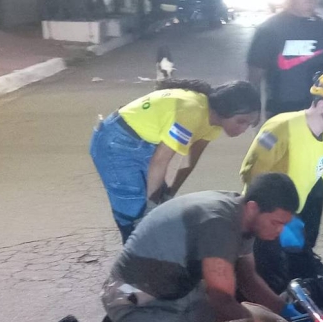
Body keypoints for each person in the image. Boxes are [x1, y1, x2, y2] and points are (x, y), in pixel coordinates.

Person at [50, 173, 314, 322]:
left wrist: (290, 317)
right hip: (137, 295)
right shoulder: (218, 222)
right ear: (254, 207)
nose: (279, 231)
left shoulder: (243, 216)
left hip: (179, 291)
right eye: (276, 223)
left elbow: (250, 280)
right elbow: (221, 299)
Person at [246, 0, 323, 251]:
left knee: (313, 195)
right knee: (275, 195)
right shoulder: (269, 30)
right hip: (281, 121)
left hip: (318, 126)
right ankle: (268, 259)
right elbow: (254, 73)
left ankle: (303, 258)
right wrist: (252, 109)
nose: (310, 0)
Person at [240, 69, 323, 293]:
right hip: (263, 226)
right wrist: (275, 219)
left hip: (288, 223)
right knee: (272, 291)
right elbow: (251, 174)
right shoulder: (280, 127)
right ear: (321, 106)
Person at [90, 79, 260, 242]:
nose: (243, 129)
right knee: (134, 215)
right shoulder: (191, 112)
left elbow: (188, 162)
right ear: (225, 110)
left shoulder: (213, 123)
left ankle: (149, 256)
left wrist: (169, 194)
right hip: (115, 143)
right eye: (241, 121)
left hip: (145, 143)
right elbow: (161, 161)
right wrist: (151, 207)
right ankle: (132, 265)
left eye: (248, 124)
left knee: (156, 207)